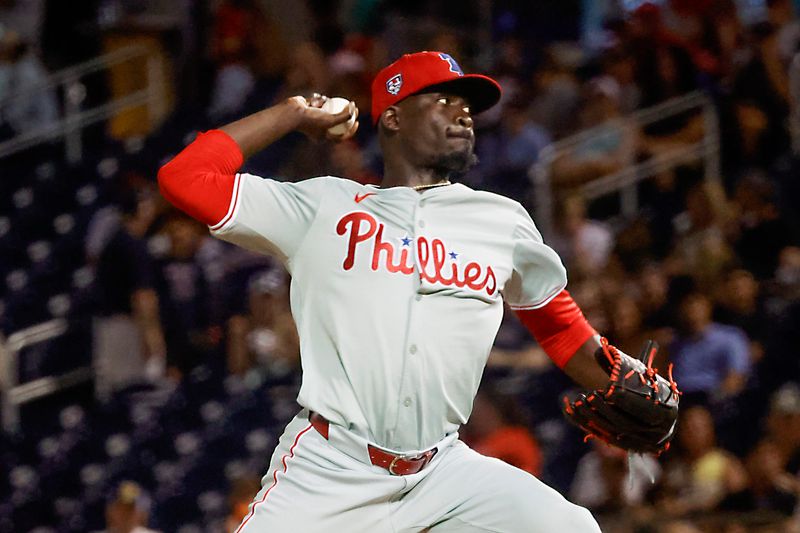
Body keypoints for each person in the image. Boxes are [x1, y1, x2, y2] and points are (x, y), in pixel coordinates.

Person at [158, 50, 653, 532]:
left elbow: (562, 329)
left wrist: (623, 377)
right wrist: (292, 113)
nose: (464, 115)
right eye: (444, 101)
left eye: (469, 107)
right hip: (332, 468)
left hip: (443, 470)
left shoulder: (502, 221)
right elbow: (185, 177)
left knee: (570, 527)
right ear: (392, 118)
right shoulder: (324, 207)